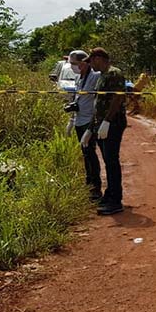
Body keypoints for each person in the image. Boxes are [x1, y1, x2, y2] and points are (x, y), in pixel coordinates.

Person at [88, 47, 127, 215]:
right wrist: (91, 128)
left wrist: (107, 121)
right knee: (107, 160)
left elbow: (118, 98)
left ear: (98, 58)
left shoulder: (114, 73)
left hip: (113, 123)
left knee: (111, 161)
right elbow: (98, 104)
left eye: (91, 61)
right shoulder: (102, 76)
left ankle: (115, 200)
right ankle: (109, 194)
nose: (91, 65)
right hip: (102, 123)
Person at [65, 50, 102, 201]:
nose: (73, 67)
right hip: (79, 121)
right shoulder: (79, 78)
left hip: (89, 122)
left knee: (91, 154)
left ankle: (96, 188)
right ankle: (89, 183)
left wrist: (93, 126)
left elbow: (100, 100)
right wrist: (71, 120)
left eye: (75, 64)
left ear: (84, 63)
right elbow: (78, 99)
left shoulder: (95, 77)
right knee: (85, 155)